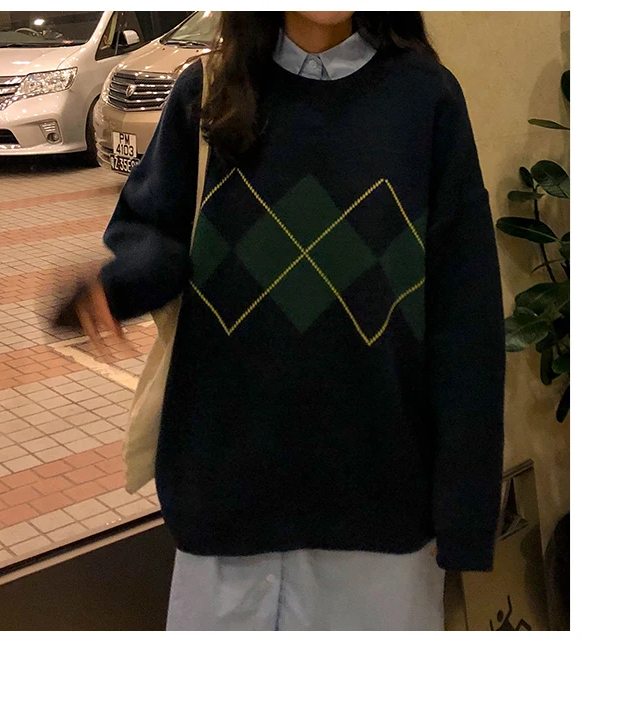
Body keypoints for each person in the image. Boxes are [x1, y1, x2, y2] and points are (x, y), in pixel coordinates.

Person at [70, 11, 506, 630]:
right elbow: (155, 231)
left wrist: (464, 509)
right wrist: (121, 282)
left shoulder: (424, 99)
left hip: (379, 512)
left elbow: (466, 317)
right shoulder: (207, 90)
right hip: (226, 498)